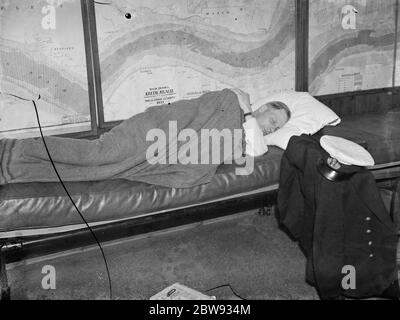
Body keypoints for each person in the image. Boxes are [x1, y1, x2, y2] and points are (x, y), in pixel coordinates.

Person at [230, 88, 291, 157]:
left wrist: (247, 111)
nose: (272, 130)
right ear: (263, 109)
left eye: (276, 129)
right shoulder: (235, 108)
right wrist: (247, 110)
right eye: (273, 121)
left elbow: (257, 151)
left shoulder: (251, 136)